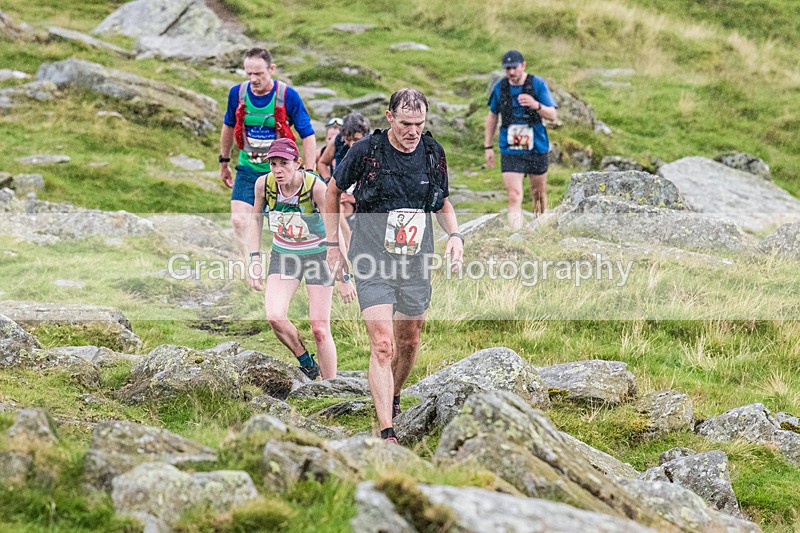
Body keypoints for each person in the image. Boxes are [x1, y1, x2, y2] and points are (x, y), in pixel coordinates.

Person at [324, 89, 464, 444]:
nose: (413, 131)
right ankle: (387, 430)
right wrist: (332, 244)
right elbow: (332, 191)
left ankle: (395, 393)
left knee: (409, 340)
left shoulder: (433, 153)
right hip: (372, 259)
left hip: (416, 261)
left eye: (419, 123)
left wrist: (456, 236)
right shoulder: (366, 152)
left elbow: (442, 203)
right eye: (405, 123)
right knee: (383, 344)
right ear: (389, 118)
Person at [247, 138, 355, 380]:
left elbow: (334, 229)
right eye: (273, 164)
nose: (277, 170)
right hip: (284, 255)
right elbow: (255, 220)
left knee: (319, 328)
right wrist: (254, 260)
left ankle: (331, 386)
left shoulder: (315, 187)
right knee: (274, 316)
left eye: (284, 163)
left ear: (298, 163)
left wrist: (344, 276)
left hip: (318, 255)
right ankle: (307, 362)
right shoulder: (263, 185)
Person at [219, 48, 317, 258]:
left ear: (271, 69)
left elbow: (307, 134)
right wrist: (224, 161)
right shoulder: (237, 93)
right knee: (239, 220)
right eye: (249, 73)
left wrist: (309, 172)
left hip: (280, 173)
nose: (253, 79)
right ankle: (246, 266)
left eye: (259, 74)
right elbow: (228, 126)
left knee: (284, 227)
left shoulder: (287, 96)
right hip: (247, 168)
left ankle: (286, 265)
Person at [485, 50, 558, 229]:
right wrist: (488, 146)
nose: (511, 72)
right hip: (510, 148)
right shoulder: (500, 88)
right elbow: (492, 115)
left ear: (523, 65)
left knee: (538, 193)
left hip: (536, 147)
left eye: (514, 68)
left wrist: (536, 105)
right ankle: (517, 235)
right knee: (514, 194)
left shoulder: (537, 84)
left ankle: (542, 229)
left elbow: (553, 115)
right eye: (507, 69)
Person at [319, 113, 372, 251]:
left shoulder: (374, 145)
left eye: (355, 139)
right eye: (347, 140)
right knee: (338, 209)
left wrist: (353, 198)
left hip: (362, 195)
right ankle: (348, 245)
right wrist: (329, 183)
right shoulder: (337, 141)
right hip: (342, 192)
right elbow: (322, 163)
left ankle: (353, 244)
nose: (351, 144)